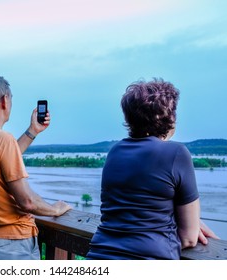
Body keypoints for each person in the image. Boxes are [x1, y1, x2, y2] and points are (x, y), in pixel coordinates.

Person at [87, 78, 218, 260]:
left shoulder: (115, 151)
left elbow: (136, 209)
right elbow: (188, 238)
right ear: (169, 118)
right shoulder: (177, 153)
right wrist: (189, 222)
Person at [0, 72, 72, 260]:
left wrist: (32, 131)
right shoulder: (3, 140)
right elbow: (26, 201)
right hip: (10, 242)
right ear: (4, 100)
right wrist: (55, 209)